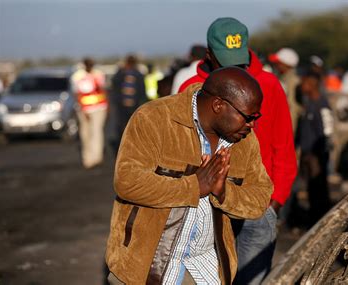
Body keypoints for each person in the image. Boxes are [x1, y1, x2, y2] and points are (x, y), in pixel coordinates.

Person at [105, 66, 273, 284]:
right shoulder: (155, 118)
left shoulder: (245, 141)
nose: (252, 124)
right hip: (142, 270)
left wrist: (223, 193)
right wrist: (194, 186)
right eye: (248, 117)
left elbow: (260, 198)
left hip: (205, 271)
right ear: (218, 105)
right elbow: (127, 181)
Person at [179, 17, 297, 284]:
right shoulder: (191, 91)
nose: (236, 69)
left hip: (257, 208)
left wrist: (274, 202)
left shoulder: (269, 85)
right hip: (207, 210)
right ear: (209, 55)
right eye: (225, 61)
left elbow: (284, 149)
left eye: (239, 59)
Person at [296, 70, 333, 226]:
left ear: (311, 85)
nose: (302, 86)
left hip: (316, 155)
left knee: (319, 188)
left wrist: (320, 154)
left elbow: (327, 130)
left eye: (304, 83)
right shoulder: (309, 102)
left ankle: (320, 220)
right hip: (308, 153)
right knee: (311, 187)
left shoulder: (321, 104)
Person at [71, 57, 108, 169]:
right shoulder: (77, 77)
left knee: (96, 131)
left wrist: (107, 107)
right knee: (85, 133)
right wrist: (83, 109)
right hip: (84, 109)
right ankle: (87, 158)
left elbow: (103, 90)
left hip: (98, 108)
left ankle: (96, 157)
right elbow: (77, 94)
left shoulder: (98, 74)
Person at [111, 54, 147, 151]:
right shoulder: (138, 74)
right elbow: (142, 92)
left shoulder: (121, 74)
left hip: (123, 106)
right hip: (133, 106)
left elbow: (114, 87)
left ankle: (124, 147)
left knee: (122, 128)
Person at [268, 47, 302, 134]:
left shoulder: (293, 81)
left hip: (288, 127)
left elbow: (292, 107)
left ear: (287, 64)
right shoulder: (282, 77)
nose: (276, 65)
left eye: (278, 63)